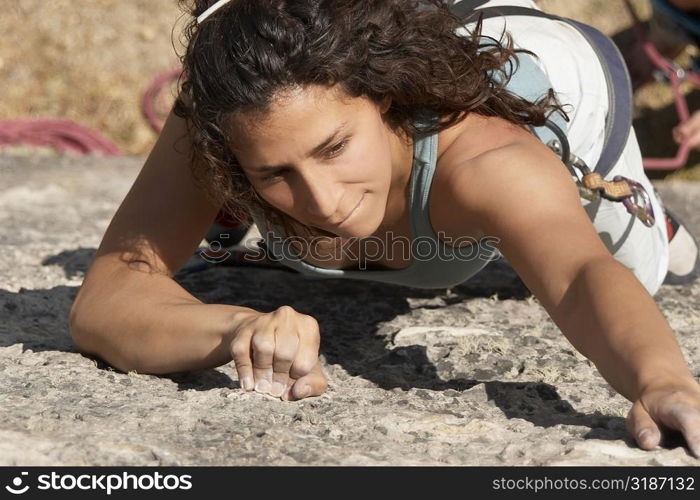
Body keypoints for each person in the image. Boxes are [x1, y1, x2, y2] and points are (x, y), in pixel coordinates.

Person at [69, 0, 700, 457]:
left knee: (645, 271)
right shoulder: (236, 102)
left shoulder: (488, 160)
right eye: (273, 173)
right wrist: (237, 328)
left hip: (565, 82)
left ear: (386, 98)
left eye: (335, 147)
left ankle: (642, 213)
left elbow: (580, 276)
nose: (321, 200)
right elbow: (108, 297)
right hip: (367, 30)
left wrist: (661, 379)